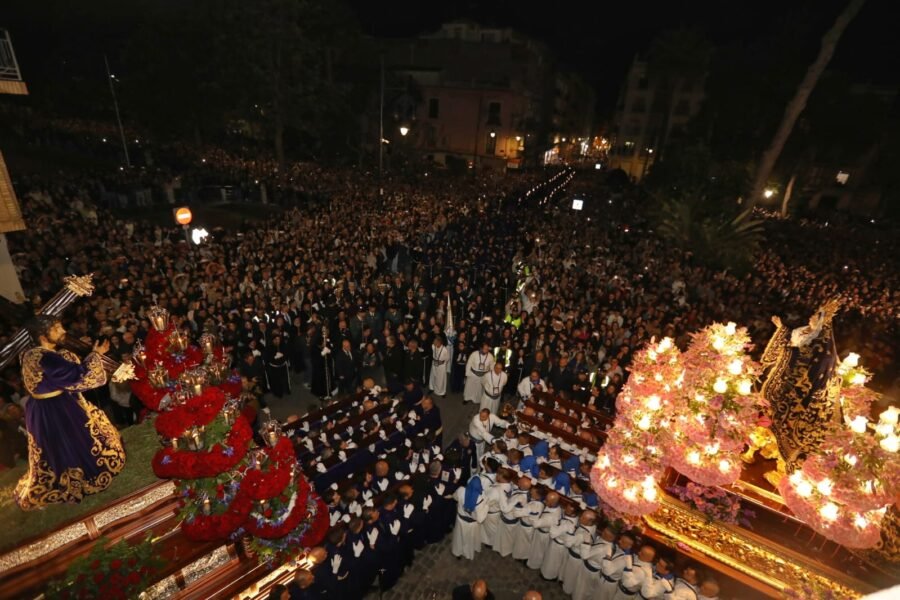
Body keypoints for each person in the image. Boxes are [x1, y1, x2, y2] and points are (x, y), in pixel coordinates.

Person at [15, 316, 126, 510]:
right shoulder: (47, 358)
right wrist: (95, 355)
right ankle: (83, 475)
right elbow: (76, 376)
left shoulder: (30, 353)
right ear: (43, 335)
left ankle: (66, 472)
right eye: (57, 328)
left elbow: (59, 373)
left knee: (54, 447)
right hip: (57, 409)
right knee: (73, 440)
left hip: (40, 408)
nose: (62, 331)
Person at [451, 475, 489, 560]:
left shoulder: (461, 490)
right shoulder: (480, 499)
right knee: (470, 539)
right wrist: (486, 506)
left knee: (459, 538)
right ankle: (468, 553)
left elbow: (455, 497)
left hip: (460, 520)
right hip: (472, 524)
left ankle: (458, 552)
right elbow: (480, 519)